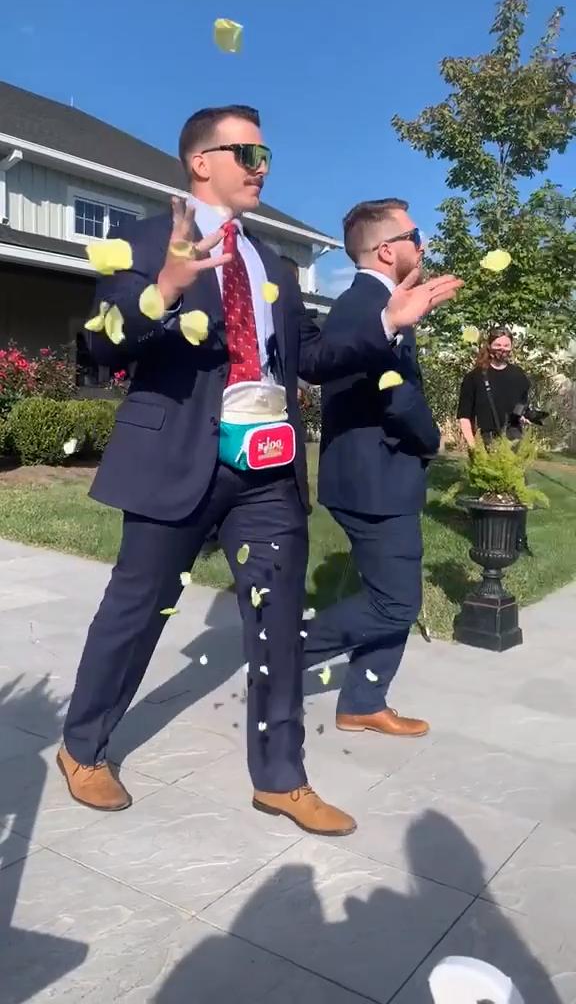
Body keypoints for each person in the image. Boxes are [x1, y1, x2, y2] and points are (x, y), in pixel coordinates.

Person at [57, 107, 440, 837]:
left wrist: (386, 323)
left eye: (267, 153)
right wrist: (163, 290)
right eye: (248, 152)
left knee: (277, 619)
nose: (263, 166)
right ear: (201, 161)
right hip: (177, 457)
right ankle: (84, 748)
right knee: (135, 610)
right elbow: (101, 345)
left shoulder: (276, 264)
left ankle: (282, 777)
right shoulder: (145, 236)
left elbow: (316, 359)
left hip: (265, 470)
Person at [303, 199, 463, 737]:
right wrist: (432, 438)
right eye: (415, 233)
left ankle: (364, 700)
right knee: (396, 603)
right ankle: (282, 653)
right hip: (374, 481)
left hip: (379, 476)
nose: (425, 241)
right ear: (386, 248)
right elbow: (396, 398)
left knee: (394, 596)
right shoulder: (363, 307)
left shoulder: (380, 302)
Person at [457, 326, 533, 553]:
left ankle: (519, 540)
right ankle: (489, 541)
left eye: (506, 345)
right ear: (489, 345)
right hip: (488, 439)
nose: (502, 349)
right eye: (498, 344)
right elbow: (464, 416)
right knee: (489, 492)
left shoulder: (519, 376)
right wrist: (473, 447)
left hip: (514, 437)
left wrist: (525, 416)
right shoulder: (473, 378)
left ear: (511, 347)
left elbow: (522, 406)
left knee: (519, 490)